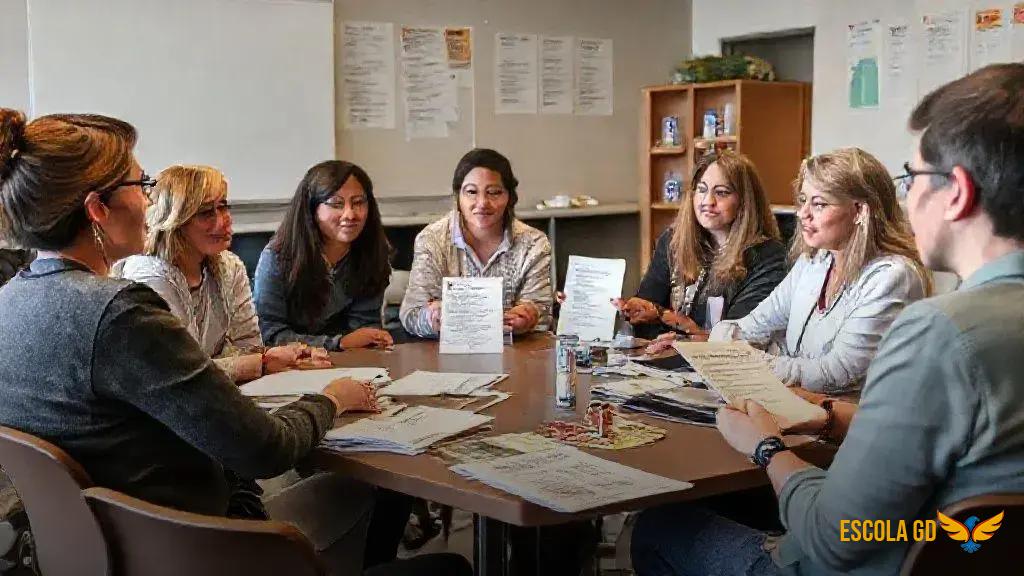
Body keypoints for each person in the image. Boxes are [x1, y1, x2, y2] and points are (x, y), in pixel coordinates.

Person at [0, 109, 469, 576]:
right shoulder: (121, 312)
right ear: (97, 209)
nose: (150, 204)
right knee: (435, 553)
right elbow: (264, 449)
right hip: (198, 547)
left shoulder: (9, 302)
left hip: (101, 549)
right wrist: (331, 398)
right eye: (143, 187)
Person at [631, 63, 1024, 576]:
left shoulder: (937, 330)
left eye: (913, 177)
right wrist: (829, 416)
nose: (905, 197)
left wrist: (766, 447)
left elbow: (834, 540)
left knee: (660, 526)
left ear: (958, 192)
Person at [709, 147, 930, 396]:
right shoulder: (813, 262)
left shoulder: (891, 277)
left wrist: (747, 361)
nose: (802, 214)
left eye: (819, 204)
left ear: (859, 211)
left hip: (844, 424)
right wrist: (727, 341)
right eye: (803, 201)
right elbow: (753, 326)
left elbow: (834, 374)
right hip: (797, 407)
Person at [114, 165, 318, 383]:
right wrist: (262, 363)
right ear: (175, 221)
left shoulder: (229, 266)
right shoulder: (149, 277)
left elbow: (248, 347)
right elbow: (178, 371)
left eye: (223, 206)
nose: (224, 221)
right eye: (206, 213)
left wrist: (273, 359)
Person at [622, 151, 786, 343]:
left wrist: (672, 328)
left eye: (721, 192)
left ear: (745, 201)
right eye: (701, 189)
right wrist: (637, 313)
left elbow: (737, 337)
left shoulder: (767, 256)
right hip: (664, 361)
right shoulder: (673, 241)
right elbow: (645, 314)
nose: (708, 201)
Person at [400, 148, 553, 338]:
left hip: (514, 354)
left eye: (494, 192)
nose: (482, 203)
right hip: (445, 355)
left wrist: (529, 318)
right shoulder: (432, 240)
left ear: (509, 197)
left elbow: (543, 314)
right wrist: (432, 318)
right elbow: (411, 315)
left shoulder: (533, 244)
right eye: (471, 192)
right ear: (458, 197)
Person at [254, 160, 394, 351]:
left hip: (352, 363)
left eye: (358, 203)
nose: (350, 214)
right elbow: (269, 335)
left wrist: (372, 338)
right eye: (336, 204)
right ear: (312, 209)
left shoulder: (373, 251)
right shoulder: (277, 257)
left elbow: (365, 327)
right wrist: (338, 344)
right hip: (291, 366)